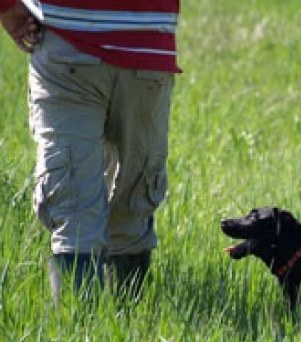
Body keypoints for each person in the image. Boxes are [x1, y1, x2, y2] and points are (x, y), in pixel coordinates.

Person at [0, 0, 181, 302]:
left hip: (68, 40)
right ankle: (122, 322)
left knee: (72, 197)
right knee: (134, 195)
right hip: (146, 42)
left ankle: (86, 329)